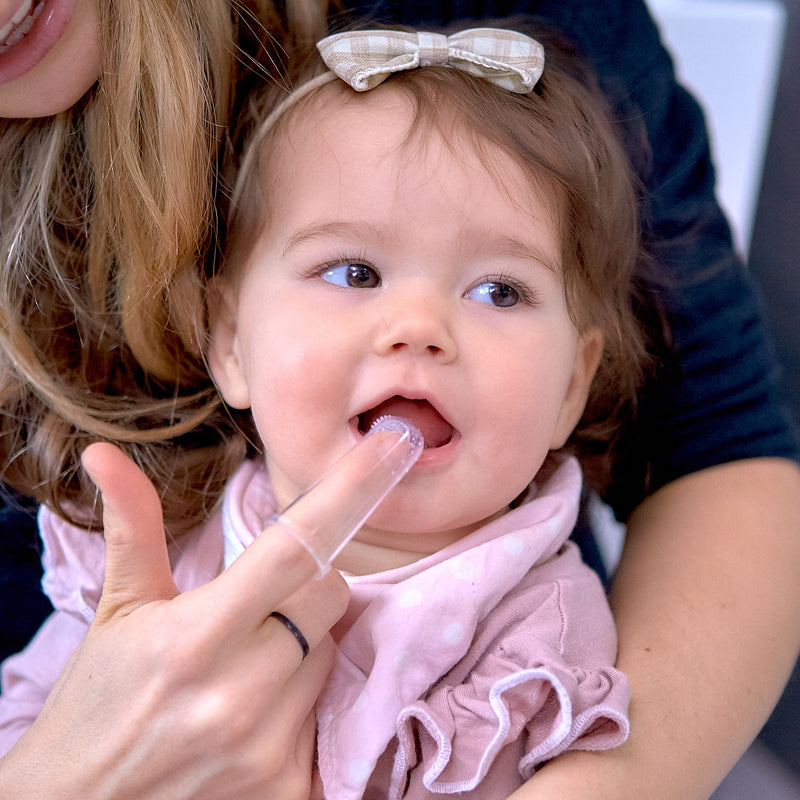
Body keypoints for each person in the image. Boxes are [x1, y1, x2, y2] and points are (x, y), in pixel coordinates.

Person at [0, 1, 797, 798]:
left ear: (572, 388)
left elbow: (721, 441)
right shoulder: (157, 560)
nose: (420, 328)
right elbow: (30, 713)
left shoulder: (536, 653)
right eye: (354, 274)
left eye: (499, 290)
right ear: (229, 343)